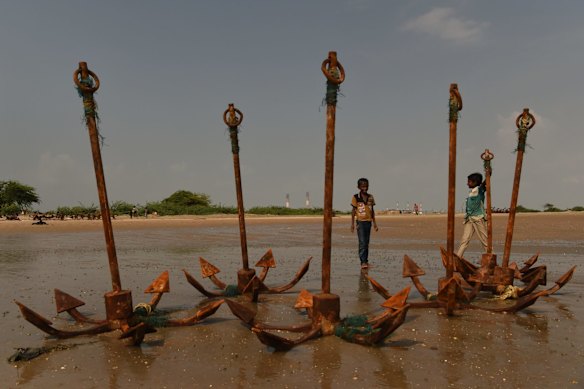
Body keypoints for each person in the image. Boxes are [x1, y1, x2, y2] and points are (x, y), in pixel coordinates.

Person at [456, 172, 488, 259]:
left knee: (485, 240)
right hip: (469, 219)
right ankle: (457, 259)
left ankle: (491, 258)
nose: (467, 183)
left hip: (478, 219)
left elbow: (485, 182)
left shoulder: (480, 189)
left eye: (469, 182)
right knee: (464, 240)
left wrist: (488, 171)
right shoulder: (471, 192)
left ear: (475, 182)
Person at [350, 178, 378, 269]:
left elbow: (372, 211)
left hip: (368, 222)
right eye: (362, 186)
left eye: (366, 186)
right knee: (362, 242)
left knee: (366, 243)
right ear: (358, 187)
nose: (365, 188)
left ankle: (366, 261)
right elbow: (353, 211)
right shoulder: (356, 197)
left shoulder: (371, 197)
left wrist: (375, 224)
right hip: (360, 222)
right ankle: (363, 262)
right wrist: (352, 224)